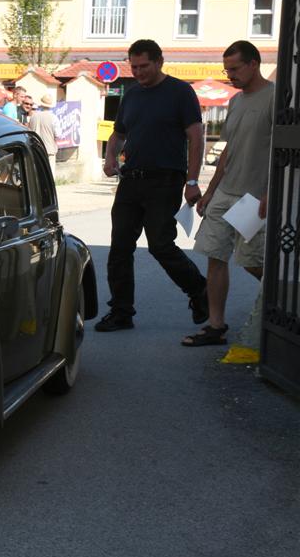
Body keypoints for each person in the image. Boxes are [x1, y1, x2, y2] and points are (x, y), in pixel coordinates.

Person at [96, 39, 208, 332]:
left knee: (160, 245)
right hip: (131, 181)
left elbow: (196, 137)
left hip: (165, 180)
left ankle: (199, 290)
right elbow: (117, 136)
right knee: (119, 247)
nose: (139, 72)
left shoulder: (180, 92)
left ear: (160, 61)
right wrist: (109, 158)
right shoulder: (131, 95)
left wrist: (193, 180)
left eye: (144, 66)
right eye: (134, 67)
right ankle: (121, 312)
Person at [183, 41, 274, 347]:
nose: (230, 75)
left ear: (253, 64)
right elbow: (228, 151)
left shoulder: (276, 97)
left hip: (254, 196)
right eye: (227, 69)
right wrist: (209, 191)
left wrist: (271, 192)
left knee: (251, 261)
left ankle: (284, 307)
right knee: (214, 255)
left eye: (234, 69)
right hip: (225, 192)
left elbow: (283, 151)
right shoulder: (235, 101)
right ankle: (216, 325)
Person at [28, 93, 59, 174]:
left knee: (37, 172)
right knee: (49, 173)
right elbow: (58, 134)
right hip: (49, 149)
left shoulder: (33, 116)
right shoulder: (53, 118)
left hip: (35, 148)